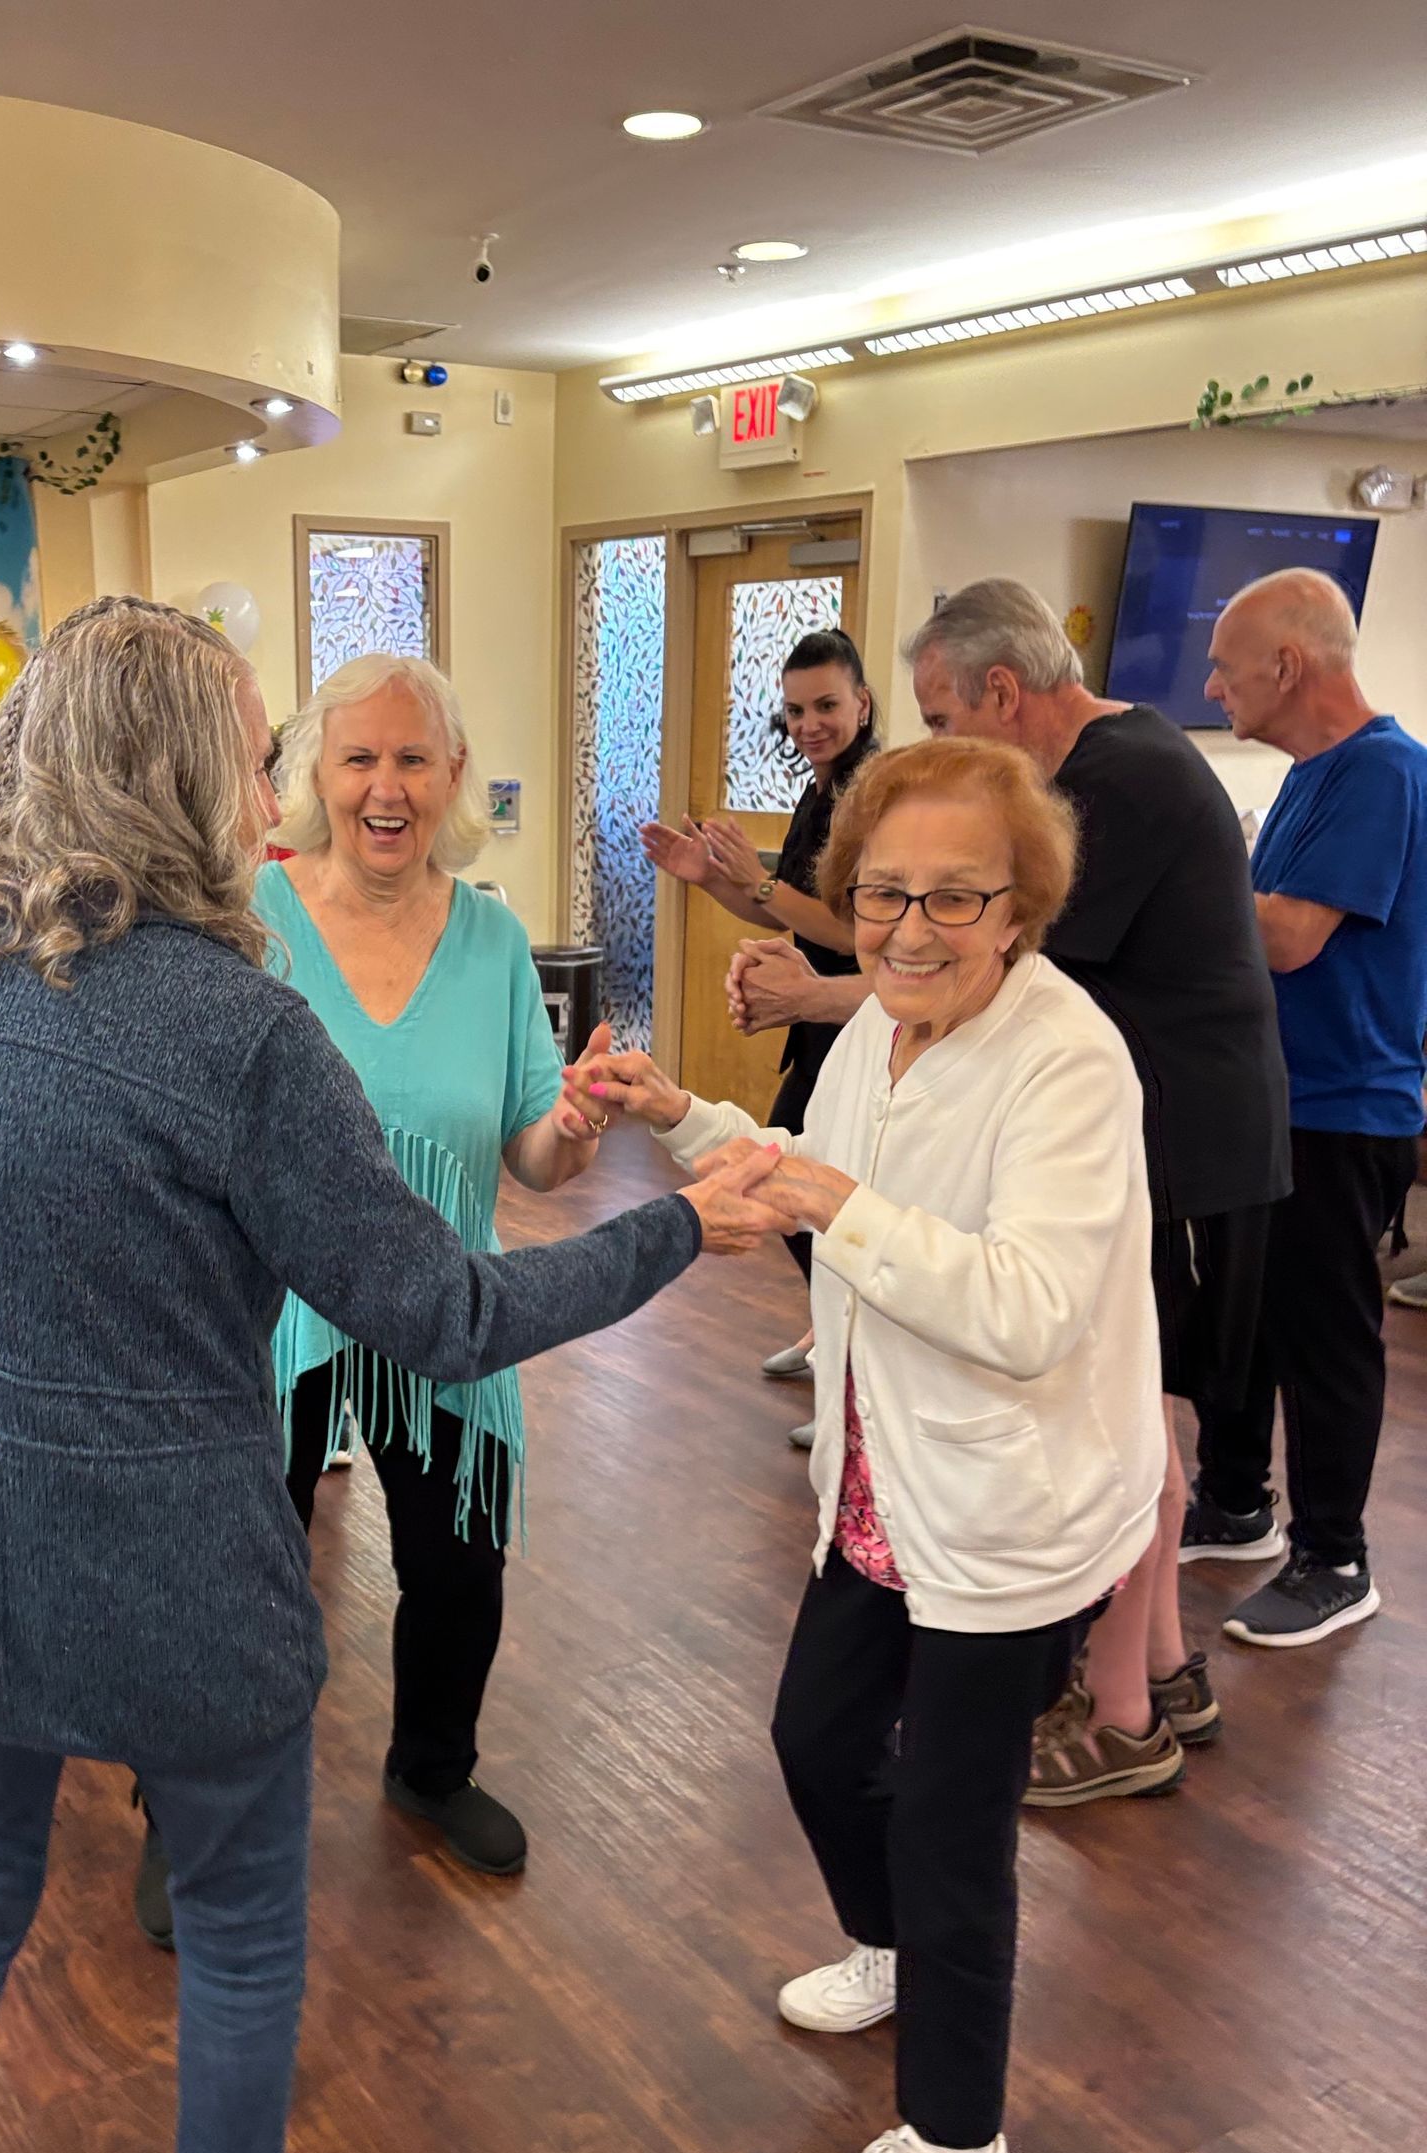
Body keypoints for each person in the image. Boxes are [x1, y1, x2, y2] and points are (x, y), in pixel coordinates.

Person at [0, 595, 781, 2153]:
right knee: (251, 1929)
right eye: (266, 751)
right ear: (192, 777)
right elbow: (448, 1311)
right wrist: (686, 1227)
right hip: (171, 1565)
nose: (286, 786)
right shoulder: (239, 1032)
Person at [579, 736, 1163, 2153]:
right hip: (882, 1479)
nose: (910, 929)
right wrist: (679, 1116)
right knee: (818, 1739)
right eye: (886, 893)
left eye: (954, 898)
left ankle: (958, 2152)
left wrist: (844, 1206)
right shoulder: (880, 1037)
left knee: (956, 1829)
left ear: (1021, 905)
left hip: (1010, 1517)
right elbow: (800, 1176)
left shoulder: (1066, 1059)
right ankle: (900, 1946)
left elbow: (1031, 1308)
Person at [905, 578, 1289, 1802]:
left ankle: (1120, 1712)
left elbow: (1008, 966)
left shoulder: (1111, 782)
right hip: (1186, 1137)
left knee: (1131, 1429)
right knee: (1150, 1421)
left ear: (1002, 693)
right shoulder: (1133, 754)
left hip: (1185, 1148)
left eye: (938, 717)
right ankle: (1165, 1665)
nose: (936, 747)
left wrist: (830, 995)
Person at [238, 652, 615, 1882]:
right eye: (359, 758)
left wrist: (578, 1122)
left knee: (459, 1559)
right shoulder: (251, 917)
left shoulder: (496, 938)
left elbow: (530, 1151)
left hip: (444, 1297)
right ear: (315, 775)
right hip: (276, 1304)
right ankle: (195, 1803)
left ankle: (432, 1766)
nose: (385, 787)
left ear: (453, 775)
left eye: (412, 758)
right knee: (235, 1563)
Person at [1197, 567, 1427, 1644]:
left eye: (1226, 668)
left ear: (1287, 667)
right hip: (1273, 1097)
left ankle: (1336, 1556)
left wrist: (1181, 900)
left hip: (1345, 1108)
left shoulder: (1381, 771)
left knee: (1327, 1337)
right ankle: (1237, 1500)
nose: (1212, 685)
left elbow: (1288, 935)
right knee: (1242, 1319)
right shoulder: (1307, 772)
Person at [643, 631, 877, 1388]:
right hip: (820, 1028)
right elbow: (791, 915)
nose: (810, 724)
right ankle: (834, 1336)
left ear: (863, 704)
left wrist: (764, 884)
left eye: (827, 706)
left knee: (811, 1187)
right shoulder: (820, 788)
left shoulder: (874, 796)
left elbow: (855, 930)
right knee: (797, 1182)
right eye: (797, 709)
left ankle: (852, 1354)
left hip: (864, 1020)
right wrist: (709, 878)